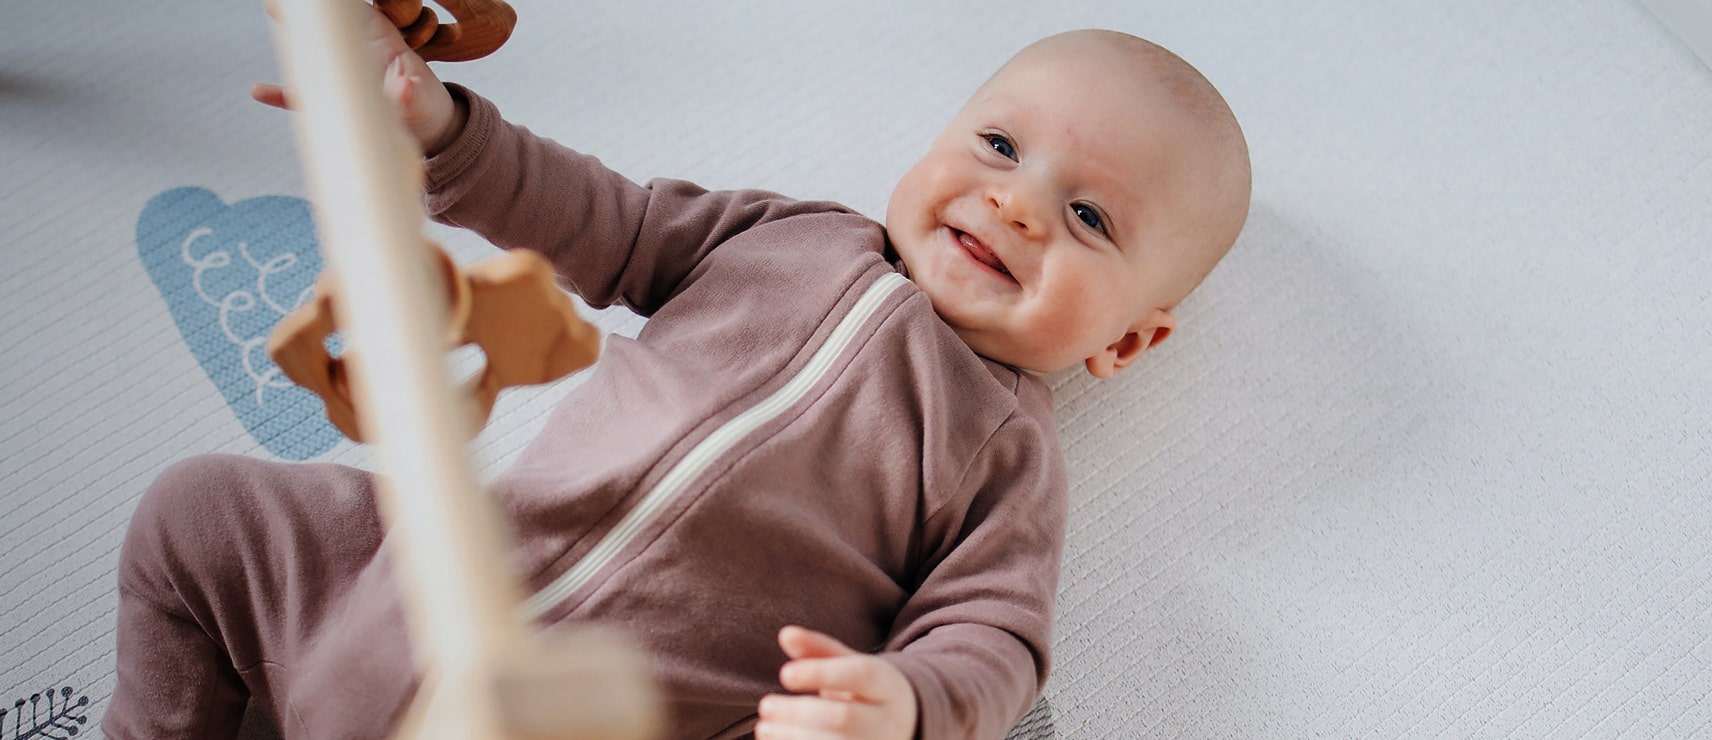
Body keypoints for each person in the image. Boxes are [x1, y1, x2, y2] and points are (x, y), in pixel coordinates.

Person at [107, 5, 1251, 738]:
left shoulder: (1000, 449)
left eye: (1088, 216)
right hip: (395, 598)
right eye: (999, 145)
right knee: (198, 512)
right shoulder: (787, 234)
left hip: (623, 710)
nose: (1014, 201)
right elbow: (600, 217)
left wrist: (905, 702)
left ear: (1125, 340)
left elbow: (994, 633)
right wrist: (441, 127)